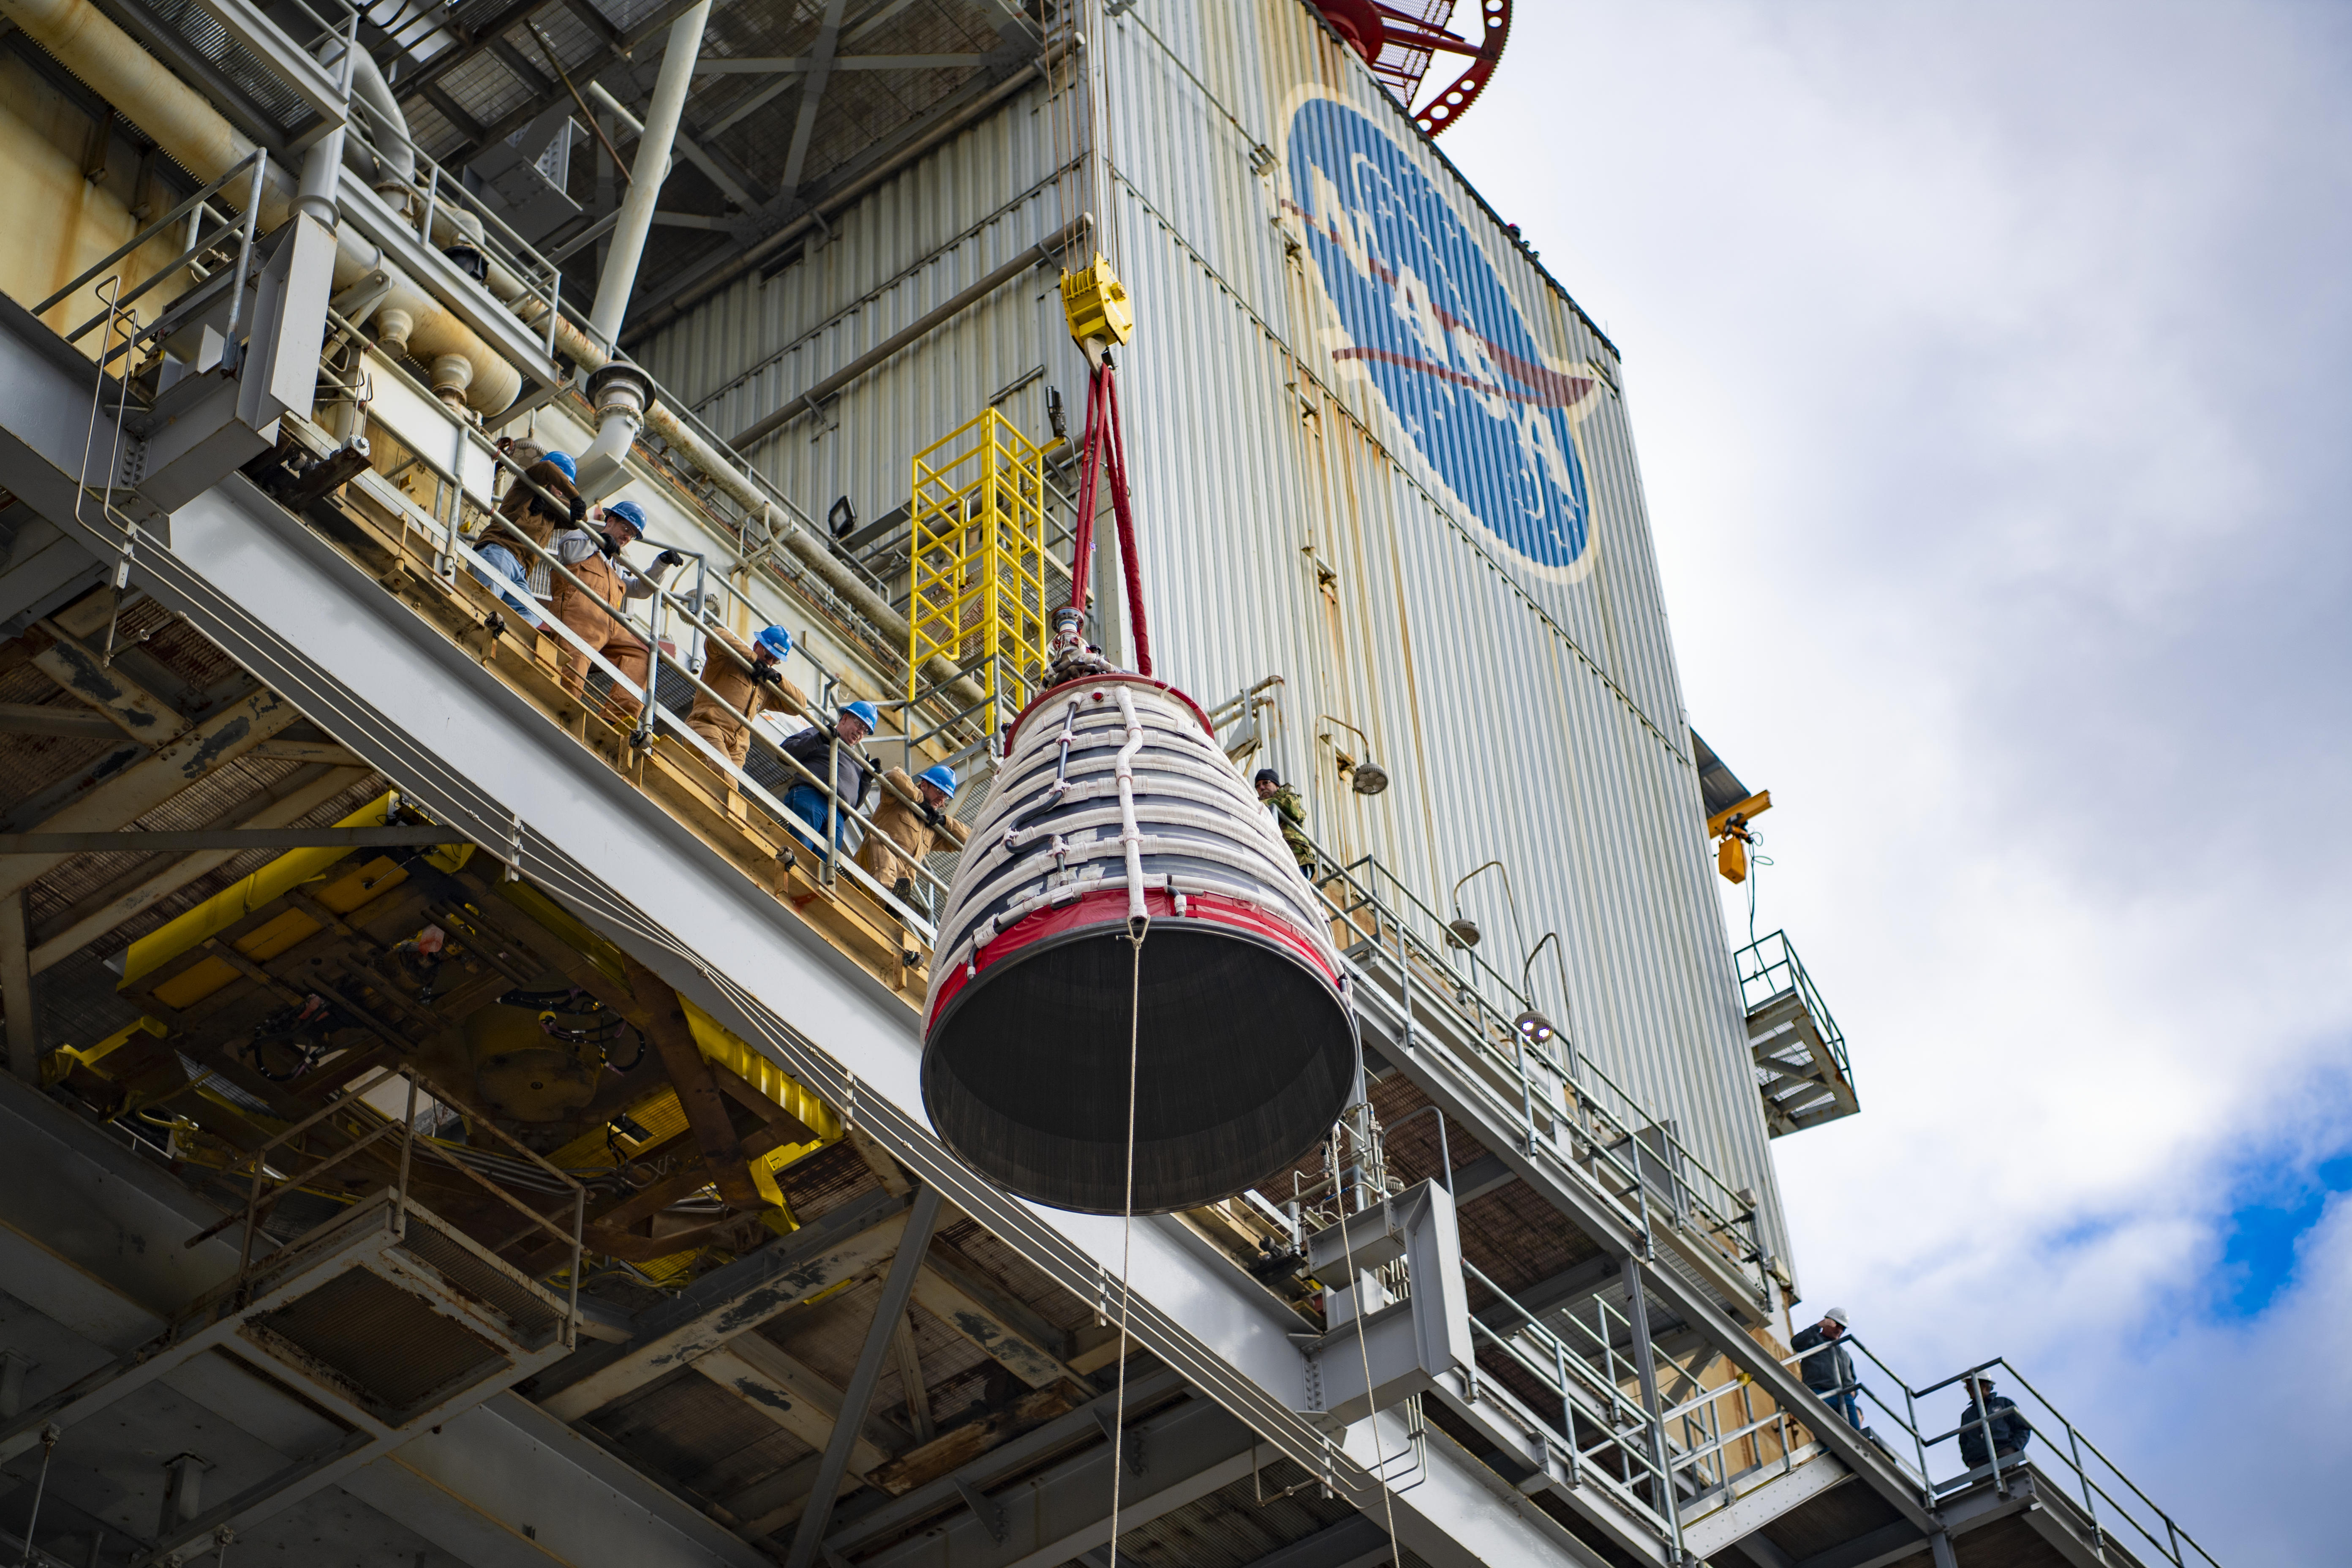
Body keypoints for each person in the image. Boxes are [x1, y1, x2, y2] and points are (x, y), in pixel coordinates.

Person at [549, 498, 679, 724]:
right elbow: (570, 555)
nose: (628, 537)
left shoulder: (616, 564)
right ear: (610, 521)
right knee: (573, 666)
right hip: (579, 617)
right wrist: (598, 542)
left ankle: (617, 719)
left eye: (633, 535)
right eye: (626, 529)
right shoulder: (581, 535)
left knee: (641, 657)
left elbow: (639, 590)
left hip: (608, 625)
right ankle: (560, 711)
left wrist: (661, 565)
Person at [687, 619, 807, 769]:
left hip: (737, 750)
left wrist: (777, 679)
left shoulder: (766, 687)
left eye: (775, 661)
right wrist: (753, 659)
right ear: (757, 645)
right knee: (726, 777)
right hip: (709, 729)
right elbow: (716, 635)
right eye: (768, 655)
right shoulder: (726, 659)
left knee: (732, 784)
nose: (769, 662)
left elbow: (800, 705)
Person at [856, 763, 969, 902]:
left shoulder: (931, 831)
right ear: (924, 785)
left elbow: (970, 839)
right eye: (939, 792)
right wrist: (919, 800)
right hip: (871, 864)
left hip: (899, 880)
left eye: (946, 796)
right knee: (880, 838)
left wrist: (945, 821)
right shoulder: (897, 800)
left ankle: (891, 903)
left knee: (902, 882)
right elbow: (894, 775)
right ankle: (888, 898)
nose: (941, 800)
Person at [780, 700, 879, 851]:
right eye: (860, 725)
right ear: (845, 718)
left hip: (838, 814)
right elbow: (784, 753)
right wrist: (819, 739)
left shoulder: (857, 763)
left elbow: (854, 805)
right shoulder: (820, 733)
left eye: (865, 731)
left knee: (827, 863)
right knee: (801, 850)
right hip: (812, 796)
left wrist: (866, 779)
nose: (861, 732)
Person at [1790, 1307, 1862, 1429]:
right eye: (1837, 1325)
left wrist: (1853, 1391)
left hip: (1844, 1397)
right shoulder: (1813, 1341)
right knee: (1824, 1429)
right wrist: (1818, 1326)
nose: (1840, 1330)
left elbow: (1851, 1377)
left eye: (1843, 1328)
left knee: (1855, 1432)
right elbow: (1797, 1343)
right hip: (1820, 1391)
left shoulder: (1844, 1354)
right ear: (1828, 1322)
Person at [1956, 1373, 2032, 1470]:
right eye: (1966, 1386)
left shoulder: (2004, 1403)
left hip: (2003, 1452)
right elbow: (1963, 1441)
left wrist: (2014, 1449)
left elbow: (2023, 1428)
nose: (1968, 1389)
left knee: (2011, 1478)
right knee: (1983, 1480)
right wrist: (1969, 1460)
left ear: (1984, 1385)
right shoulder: (1967, 1415)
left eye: (1970, 1384)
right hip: (1978, 1460)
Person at [1255, 767, 1315, 874]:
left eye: (1266, 783)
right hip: (1274, 858)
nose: (1262, 788)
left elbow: (1294, 810)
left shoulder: (1290, 798)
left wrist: (1265, 804)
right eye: (1258, 786)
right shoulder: (1257, 806)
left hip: (1297, 858)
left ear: (1277, 785)